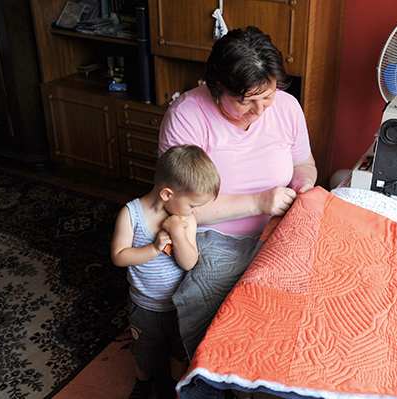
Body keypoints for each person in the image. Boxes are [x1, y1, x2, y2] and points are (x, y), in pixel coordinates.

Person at [158, 26, 317, 358]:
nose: (259, 112)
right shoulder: (187, 116)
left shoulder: (286, 108)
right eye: (246, 102)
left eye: (267, 97)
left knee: (309, 298)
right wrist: (259, 201)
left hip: (279, 228)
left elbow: (304, 164)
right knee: (214, 298)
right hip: (215, 235)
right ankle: (206, 379)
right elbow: (179, 206)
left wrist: (302, 185)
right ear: (217, 90)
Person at [111, 145, 220, 399]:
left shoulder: (185, 220)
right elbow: (119, 256)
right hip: (144, 304)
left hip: (177, 305)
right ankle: (142, 383)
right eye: (193, 205)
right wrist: (154, 248)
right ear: (167, 194)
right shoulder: (131, 214)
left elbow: (189, 262)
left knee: (178, 350)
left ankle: (172, 386)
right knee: (144, 350)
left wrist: (178, 232)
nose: (197, 211)